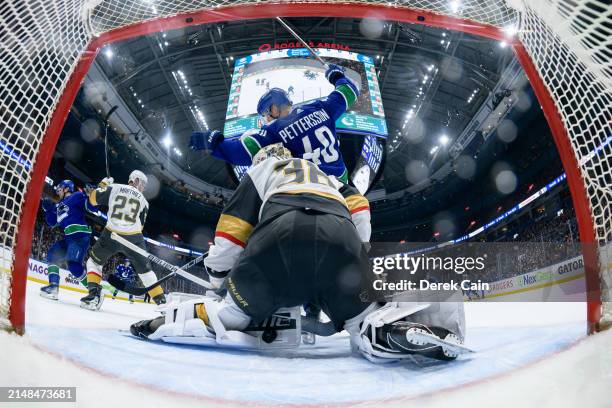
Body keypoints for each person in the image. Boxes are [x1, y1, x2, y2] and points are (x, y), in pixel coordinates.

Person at [130, 145, 465, 362]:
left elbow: (230, 234)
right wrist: (354, 261)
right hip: (342, 236)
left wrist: (220, 280)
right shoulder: (328, 177)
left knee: (231, 315)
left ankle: (164, 322)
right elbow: (360, 210)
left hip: (279, 235)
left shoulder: (262, 171)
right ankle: (392, 332)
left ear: (263, 159)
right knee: (361, 321)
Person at [189, 64, 359, 183]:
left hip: (308, 186)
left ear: (274, 108)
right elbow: (349, 92)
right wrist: (337, 76)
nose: (266, 118)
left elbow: (240, 153)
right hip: (341, 183)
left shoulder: (274, 130)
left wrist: (212, 140)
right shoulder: (320, 107)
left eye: (265, 113)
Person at [82, 170, 166, 310]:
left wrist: (103, 184)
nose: (143, 188)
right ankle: (162, 304)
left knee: (94, 262)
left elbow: (92, 199)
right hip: (134, 238)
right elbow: (141, 224)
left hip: (110, 235)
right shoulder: (145, 202)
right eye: (143, 184)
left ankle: (93, 296)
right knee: (146, 273)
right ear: (136, 180)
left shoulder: (114, 187)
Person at [39, 180, 98, 300]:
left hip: (79, 236)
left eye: (60, 189)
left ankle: (95, 292)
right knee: (52, 255)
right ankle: (53, 286)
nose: (58, 192)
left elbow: (91, 207)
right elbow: (52, 222)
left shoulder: (77, 195)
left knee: (73, 265)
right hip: (68, 238)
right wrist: (48, 209)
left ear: (66, 189)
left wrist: (94, 194)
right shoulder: (58, 205)